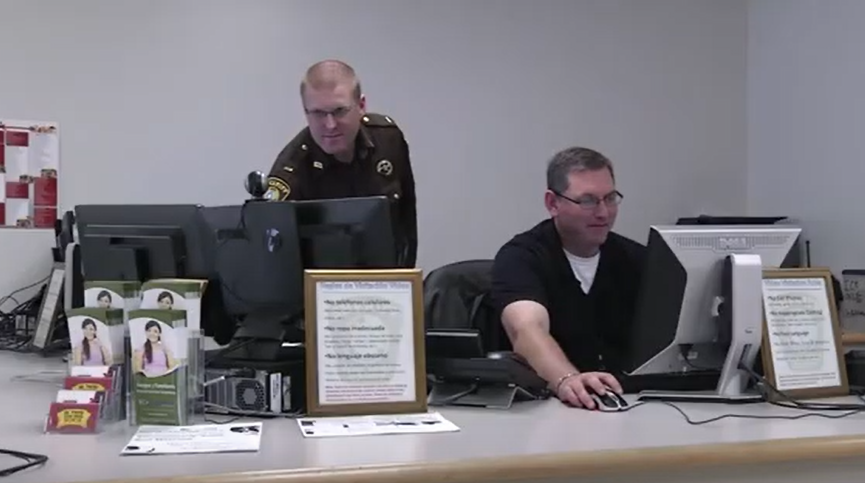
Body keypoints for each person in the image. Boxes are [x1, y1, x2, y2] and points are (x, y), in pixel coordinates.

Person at [490, 146, 646, 410]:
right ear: (553, 203)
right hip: (546, 408)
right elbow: (527, 329)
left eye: (609, 198)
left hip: (626, 403)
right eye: (587, 201)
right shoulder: (521, 257)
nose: (603, 213)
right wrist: (568, 380)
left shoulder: (637, 259)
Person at [264, 59, 418, 268]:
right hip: (322, 292)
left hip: (387, 284)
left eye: (339, 111)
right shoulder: (291, 171)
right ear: (305, 112)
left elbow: (406, 222)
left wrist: (404, 281)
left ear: (361, 106)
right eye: (318, 113)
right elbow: (278, 262)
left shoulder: (387, 140)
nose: (330, 125)